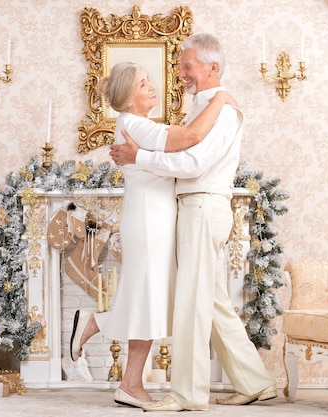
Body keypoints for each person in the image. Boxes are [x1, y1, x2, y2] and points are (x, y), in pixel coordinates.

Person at [109, 33, 277, 412]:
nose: (180, 73)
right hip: (196, 208)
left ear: (211, 67)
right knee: (213, 302)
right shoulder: (203, 109)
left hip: (202, 208)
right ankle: (255, 382)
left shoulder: (224, 111)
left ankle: (187, 393)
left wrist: (139, 159)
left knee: (190, 305)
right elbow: (184, 146)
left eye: (187, 66)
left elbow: (193, 163)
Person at [70, 61, 237, 409]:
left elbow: (181, 143)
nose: (152, 87)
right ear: (129, 98)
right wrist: (220, 99)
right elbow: (190, 138)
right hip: (149, 220)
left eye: (148, 81)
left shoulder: (139, 125)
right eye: (143, 84)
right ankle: (101, 334)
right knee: (147, 298)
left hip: (154, 218)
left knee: (148, 298)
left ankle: (128, 381)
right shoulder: (134, 125)